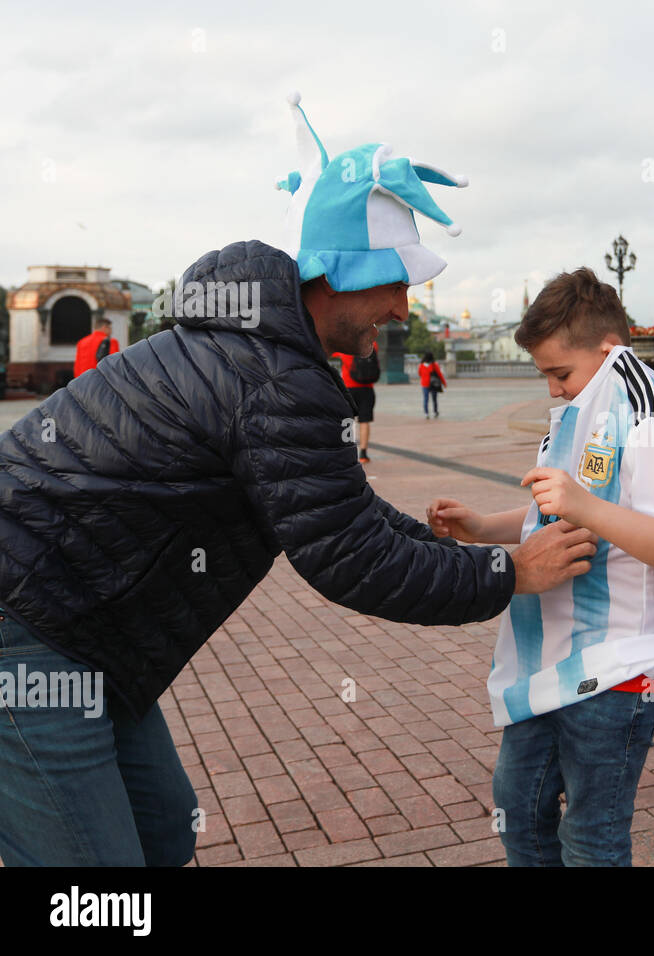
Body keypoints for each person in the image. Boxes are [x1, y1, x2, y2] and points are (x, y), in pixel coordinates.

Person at [0, 93, 594, 867]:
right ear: (335, 274)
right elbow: (351, 560)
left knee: (164, 833)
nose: (398, 306)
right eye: (391, 281)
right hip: (30, 632)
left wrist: (455, 542)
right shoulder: (274, 377)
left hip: (87, 641)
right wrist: (507, 572)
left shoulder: (261, 354)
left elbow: (340, 514)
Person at [429, 267, 654, 866]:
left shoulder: (648, 409)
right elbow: (559, 507)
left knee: (591, 836)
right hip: (553, 663)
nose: (553, 389)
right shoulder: (587, 401)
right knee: (519, 811)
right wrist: (484, 526)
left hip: (621, 664)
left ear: (608, 349)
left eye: (559, 373)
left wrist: (587, 506)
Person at [333, 349, 376, 461]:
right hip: (367, 388)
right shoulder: (372, 343)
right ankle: (363, 453)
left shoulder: (344, 345)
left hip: (349, 388)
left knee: (348, 420)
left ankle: (348, 452)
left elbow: (329, 351)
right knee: (364, 421)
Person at [418, 350, 447, 418]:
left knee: (426, 399)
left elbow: (419, 374)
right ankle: (435, 412)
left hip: (425, 384)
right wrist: (444, 383)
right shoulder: (434, 364)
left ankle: (426, 413)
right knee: (434, 399)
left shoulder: (421, 365)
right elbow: (439, 374)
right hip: (433, 384)